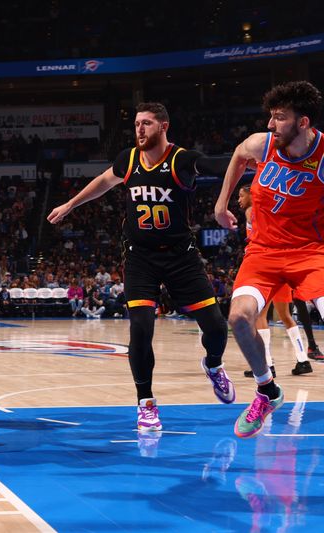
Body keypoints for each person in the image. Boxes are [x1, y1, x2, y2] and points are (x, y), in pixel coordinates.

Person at [48, 102, 234, 432]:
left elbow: (217, 165)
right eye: (136, 124)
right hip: (140, 258)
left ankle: (214, 365)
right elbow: (104, 182)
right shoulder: (128, 159)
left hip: (181, 257)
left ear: (164, 126)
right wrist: (70, 204)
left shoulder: (182, 160)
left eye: (146, 123)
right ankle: (145, 401)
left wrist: (249, 156)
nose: (139, 130)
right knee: (141, 328)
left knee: (217, 327)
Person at [215, 80, 324, 438]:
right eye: (271, 117)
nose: (271, 125)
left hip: (311, 250)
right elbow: (237, 154)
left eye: (279, 118)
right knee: (239, 317)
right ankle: (267, 390)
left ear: (303, 123)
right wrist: (220, 204)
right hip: (263, 251)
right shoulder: (264, 144)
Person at [237, 185, 314, 377]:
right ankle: (302, 359)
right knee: (286, 316)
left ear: (251, 194)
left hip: (266, 266)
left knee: (260, 317)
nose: (238, 200)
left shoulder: (252, 211)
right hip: (285, 263)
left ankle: (267, 364)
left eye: (241, 195)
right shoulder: (273, 209)